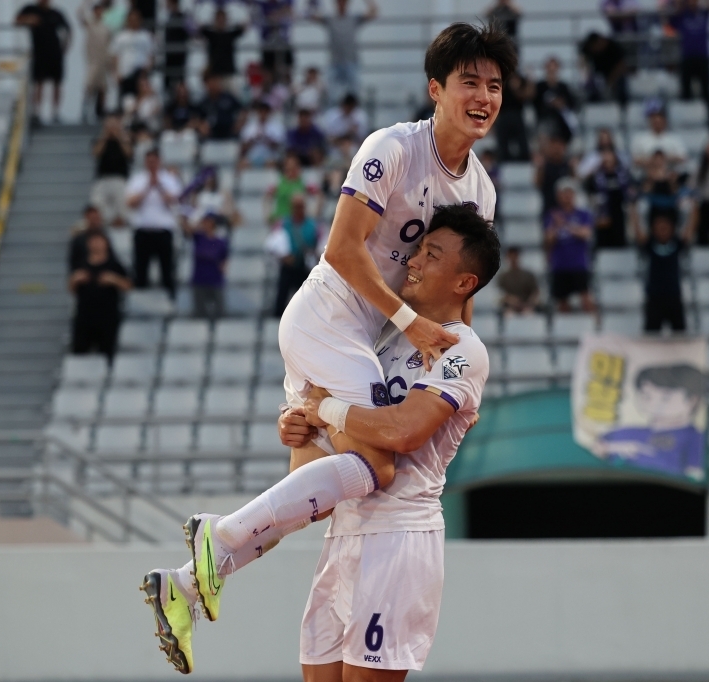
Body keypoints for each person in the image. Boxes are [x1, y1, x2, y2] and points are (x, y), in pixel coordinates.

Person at [137, 24, 517, 675]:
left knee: (312, 488)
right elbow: (341, 250)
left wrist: (458, 359)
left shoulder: (480, 190)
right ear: (436, 89)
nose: (483, 96)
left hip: (366, 352)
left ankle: (184, 582)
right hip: (331, 319)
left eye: (495, 85)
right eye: (469, 83)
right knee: (378, 465)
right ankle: (215, 540)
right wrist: (411, 323)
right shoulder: (392, 147)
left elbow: (466, 284)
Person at [141, 205, 500, 679]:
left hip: (399, 535)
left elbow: (403, 431)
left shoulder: (463, 350)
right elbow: (316, 470)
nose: (413, 260)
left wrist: (325, 411)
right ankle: (193, 574)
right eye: (418, 249)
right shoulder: (376, 338)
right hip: (344, 534)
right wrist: (300, 425)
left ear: (463, 283)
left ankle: (218, 541)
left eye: (432, 254)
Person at [596, 364, 706, 480]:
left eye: (665, 398)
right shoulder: (622, 432)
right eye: (647, 396)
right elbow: (593, 451)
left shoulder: (695, 438)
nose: (654, 405)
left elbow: (694, 477)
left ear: (692, 400)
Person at [125, 148, 183, 299]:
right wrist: (147, 187)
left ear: (159, 161)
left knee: (167, 271)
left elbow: (174, 202)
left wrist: (159, 186)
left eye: (154, 161)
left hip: (163, 231)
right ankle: (141, 303)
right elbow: (131, 203)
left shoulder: (169, 179)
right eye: (149, 161)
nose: (151, 164)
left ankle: (170, 302)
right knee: (140, 271)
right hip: (143, 231)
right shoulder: (137, 179)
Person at [69, 231, 132, 363]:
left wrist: (113, 280)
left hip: (107, 317)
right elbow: (71, 289)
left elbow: (128, 285)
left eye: (99, 241)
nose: (96, 244)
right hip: (84, 317)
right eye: (93, 241)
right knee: (79, 352)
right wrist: (75, 280)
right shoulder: (81, 263)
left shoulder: (114, 264)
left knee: (107, 352)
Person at [633, 212, 694, 333]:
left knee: (680, 336)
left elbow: (690, 229)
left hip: (674, 297)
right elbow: (638, 233)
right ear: (653, 229)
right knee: (651, 337)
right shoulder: (650, 244)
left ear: (672, 229)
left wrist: (695, 207)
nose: (662, 230)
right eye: (659, 227)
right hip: (654, 298)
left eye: (665, 227)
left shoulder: (676, 244)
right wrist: (633, 210)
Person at [310, 0, 379, 103]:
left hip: (351, 63)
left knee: (354, 97)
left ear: (347, 4)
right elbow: (312, 16)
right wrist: (312, 3)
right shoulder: (330, 19)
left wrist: (368, 1)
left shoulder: (354, 18)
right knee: (332, 98)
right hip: (334, 63)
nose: (341, 4)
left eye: (343, 2)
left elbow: (373, 13)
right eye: (339, 2)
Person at [15, 0, 71, 125]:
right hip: (39, 53)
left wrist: (66, 47)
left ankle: (55, 113)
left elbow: (67, 29)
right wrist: (29, 20)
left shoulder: (56, 13)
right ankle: (37, 112)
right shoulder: (31, 9)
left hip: (55, 53)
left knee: (56, 83)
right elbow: (17, 21)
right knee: (39, 83)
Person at [545, 177, 596, 312]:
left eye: (569, 193)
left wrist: (565, 224)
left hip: (578, 264)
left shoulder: (583, 214)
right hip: (560, 264)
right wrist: (556, 227)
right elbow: (548, 239)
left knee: (586, 298)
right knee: (562, 301)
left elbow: (586, 233)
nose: (567, 196)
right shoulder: (553, 215)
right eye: (564, 193)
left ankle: (594, 326)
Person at [268, 194, 319, 316]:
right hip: (288, 265)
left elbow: (319, 245)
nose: (298, 209)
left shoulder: (312, 226)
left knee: (306, 298)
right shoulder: (283, 224)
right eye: (296, 206)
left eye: (300, 206)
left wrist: (312, 253)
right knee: (282, 295)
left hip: (305, 266)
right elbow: (272, 245)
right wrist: (283, 257)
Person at [584, 147, 638, 248]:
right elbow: (589, 193)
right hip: (603, 217)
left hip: (621, 216)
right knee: (603, 245)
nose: (607, 158)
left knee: (620, 244)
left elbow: (633, 193)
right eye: (604, 155)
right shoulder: (596, 177)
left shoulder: (624, 175)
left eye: (609, 155)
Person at [184, 211, 229, 320]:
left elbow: (224, 262)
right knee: (199, 312)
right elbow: (187, 229)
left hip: (215, 280)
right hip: (199, 279)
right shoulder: (199, 237)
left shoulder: (220, 242)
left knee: (219, 311)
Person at [91, 114, 133, 227]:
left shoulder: (125, 139)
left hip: (119, 178)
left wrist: (119, 136)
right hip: (103, 178)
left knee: (122, 209)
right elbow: (96, 153)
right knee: (98, 206)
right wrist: (105, 136)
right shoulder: (100, 139)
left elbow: (128, 154)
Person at [671, 0, 709, 110]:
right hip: (687, 57)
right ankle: (687, 113)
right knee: (686, 89)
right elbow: (675, 14)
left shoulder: (703, 14)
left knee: (706, 90)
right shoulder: (682, 15)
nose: (692, 2)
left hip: (703, 56)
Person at [78, 0, 112, 123]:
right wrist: (86, 3)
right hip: (93, 62)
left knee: (103, 88)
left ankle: (100, 112)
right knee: (89, 86)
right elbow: (80, 15)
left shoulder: (106, 28)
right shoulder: (91, 24)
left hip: (103, 62)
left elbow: (108, 45)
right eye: (96, 10)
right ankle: (85, 111)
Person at [110, 9, 154, 101]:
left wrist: (146, 71)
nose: (134, 22)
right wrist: (116, 73)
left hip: (140, 75)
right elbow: (115, 56)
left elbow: (151, 55)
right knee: (127, 101)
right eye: (131, 20)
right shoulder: (121, 37)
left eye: (136, 19)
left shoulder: (146, 36)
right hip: (125, 75)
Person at [533, 56, 578, 144]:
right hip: (545, 120)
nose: (552, 73)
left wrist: (561, 104)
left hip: (562, 122)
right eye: (550, 70)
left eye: (554, 70)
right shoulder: (540, 86)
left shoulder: (563, 87)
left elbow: (572, 104)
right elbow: (535, 103)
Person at [630, 100, 687, 168]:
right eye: (654, 120)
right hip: (645, 175)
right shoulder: (639, 138)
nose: (657, 123)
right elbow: (634, 160)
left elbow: (683, 158)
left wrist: (663, 160)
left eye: (660, 121)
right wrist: (653, 162)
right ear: (650, 121)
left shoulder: (674, 139)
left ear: (665, 121)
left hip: (670, 174)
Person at [265, 152, 318, 224]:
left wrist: (314, 214)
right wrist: (268, 215)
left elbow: (319, 196)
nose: (291, 170)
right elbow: (267, 197)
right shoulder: (278, 182)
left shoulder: (304, 182)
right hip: (281, 220)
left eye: (293, 167)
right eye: (288, 167)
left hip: (298, 223)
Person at [580, 32, 629, 107]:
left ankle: (623, 106)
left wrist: (610, 81)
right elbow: (583, 61)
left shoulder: (614, 47)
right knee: (591, 88)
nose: (594, 49)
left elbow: (621, 66)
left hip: (615, 75)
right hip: (598, 75)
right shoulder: (588, 48)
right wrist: (587, 74)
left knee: (621, 87)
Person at [253, 0, 296, 83]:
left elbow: (290, 11)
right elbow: (260, 18)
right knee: (268, 71)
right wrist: (277, 14)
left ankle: (287, 88)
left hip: (283, 43)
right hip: (268, 43)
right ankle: (269, 91)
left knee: (287, 69)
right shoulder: (262, 5)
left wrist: (277, 14)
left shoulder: (284, 4)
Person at [199, 7, 247, 79]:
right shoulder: (211, 35)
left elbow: (243, 28)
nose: (221, 21)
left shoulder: (230, 35)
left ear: (226, 20)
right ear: (215, 20)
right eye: (219, 19)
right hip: (214, 73)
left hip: (229, 72)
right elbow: (200, 28)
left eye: (222, 19)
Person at [196, 69, 245, 141]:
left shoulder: (228, 98)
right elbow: (196, 119)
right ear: (206, 84)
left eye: (215, 81)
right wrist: (201, 126)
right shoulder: (204, 103)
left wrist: (239, 122)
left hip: (229, 135)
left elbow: (243, 110)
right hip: (211, 137)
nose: (213, 84)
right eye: (210, 82)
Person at [495, 71, 532, 161]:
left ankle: (524, 159)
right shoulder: (501, 78)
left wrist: (517, 88)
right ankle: (503, 160)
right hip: (503, 115)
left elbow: (528, 95)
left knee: (522, 141)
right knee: (502, 142)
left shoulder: (521, 79)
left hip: (517, 115)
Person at [239, 100, 287, 168]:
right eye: (261, 112)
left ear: (269, 113)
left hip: (270, 155)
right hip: (253, 155)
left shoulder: (277, 127)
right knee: (242, 164)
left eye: (265, 112)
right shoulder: (249, 127)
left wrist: (267, 139)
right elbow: (243, 147)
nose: (263, 114)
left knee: (272, 164)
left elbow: (280, 147)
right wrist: (253, 140)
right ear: (257, 112)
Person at [534, 136, 573, 217]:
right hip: (549, 207)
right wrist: (540, 168)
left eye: (559, 146)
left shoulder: (567, 166)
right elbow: (537, 183)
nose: (556, 150)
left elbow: (574, 184)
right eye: (554, 146)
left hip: (566, 209)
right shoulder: (545, 166)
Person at [498, 245, 540, 313]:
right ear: (507, 257)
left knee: (528, 315)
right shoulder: (503, 276)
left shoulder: (528, 275)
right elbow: (499, 294)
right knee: (509, 315)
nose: (513, 259)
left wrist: (529, 303)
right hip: (510, 307)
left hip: (527, 306)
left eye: (515, 256)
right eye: (511, 256)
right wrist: (510, 300)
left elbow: (536, 292)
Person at [162, 0, 190, 89]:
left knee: (180, 77)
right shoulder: (167, 17)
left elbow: (192, 32)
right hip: (169, 53)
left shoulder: (183, 17)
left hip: (179, 53)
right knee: (167, 78)